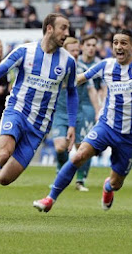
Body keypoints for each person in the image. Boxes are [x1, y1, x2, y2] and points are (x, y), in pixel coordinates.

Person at [33, 27, 132, 212]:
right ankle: (50, 199)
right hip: (107, 126)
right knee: (79, 156)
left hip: (131, 135)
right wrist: (51, 83)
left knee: (117, 182)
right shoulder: (106, 65)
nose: (118, 47)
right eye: (115, 43)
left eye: (123, 43)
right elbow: (79, 78)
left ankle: (108, 187)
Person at [0, 13, 78, 220]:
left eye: (68, 29)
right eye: (63, 28)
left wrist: (71, 124)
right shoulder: (26, 51)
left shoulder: (68, 62)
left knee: (5, 179)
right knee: (2, 154)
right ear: (49, 29)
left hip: (39, 127)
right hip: (17, 111)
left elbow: (71, 92)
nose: (67, 33)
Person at [51, 36, 100, 191]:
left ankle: (80, 181)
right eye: (72, 51)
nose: (76, 54)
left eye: (77, 51)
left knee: (83, 148)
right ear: (65, 51)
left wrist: (98, 111)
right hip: (59, 113)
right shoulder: (55, 67)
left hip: (77, 113)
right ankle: (61, 174)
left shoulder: (81, 69)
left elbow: (92, 91)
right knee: (60, 147)